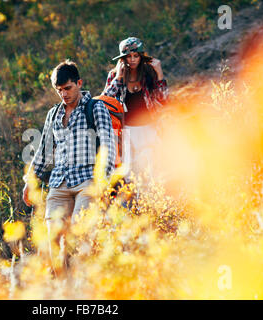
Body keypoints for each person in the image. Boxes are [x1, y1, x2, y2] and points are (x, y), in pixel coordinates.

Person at [22, 60, 116, 270]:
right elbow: (43, 151)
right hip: (59, 184)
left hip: (88, 182)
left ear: (79, 83)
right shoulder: (53, 114)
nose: (64, 94)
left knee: (80, 234)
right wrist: (30, 182)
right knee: (55, 242)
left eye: (68, 88)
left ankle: (85, 287)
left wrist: (104, 182)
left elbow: (109, 146)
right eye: (59, 90)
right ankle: (63, 291)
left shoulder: (95, 108)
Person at [102, 37, 169, 178]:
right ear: (123, 59)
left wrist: (159, 73)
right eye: (128, 56)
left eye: (136, 56)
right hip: (126, 130)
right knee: (129, 172)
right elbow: (105, 101)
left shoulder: (149, 73)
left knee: (150, 171)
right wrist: (118, 79)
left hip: (149, 127)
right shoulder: (114, 75)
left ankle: (151, 199)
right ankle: (133, 200)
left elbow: (164, 100)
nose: (132, 59)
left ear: (141, 57)